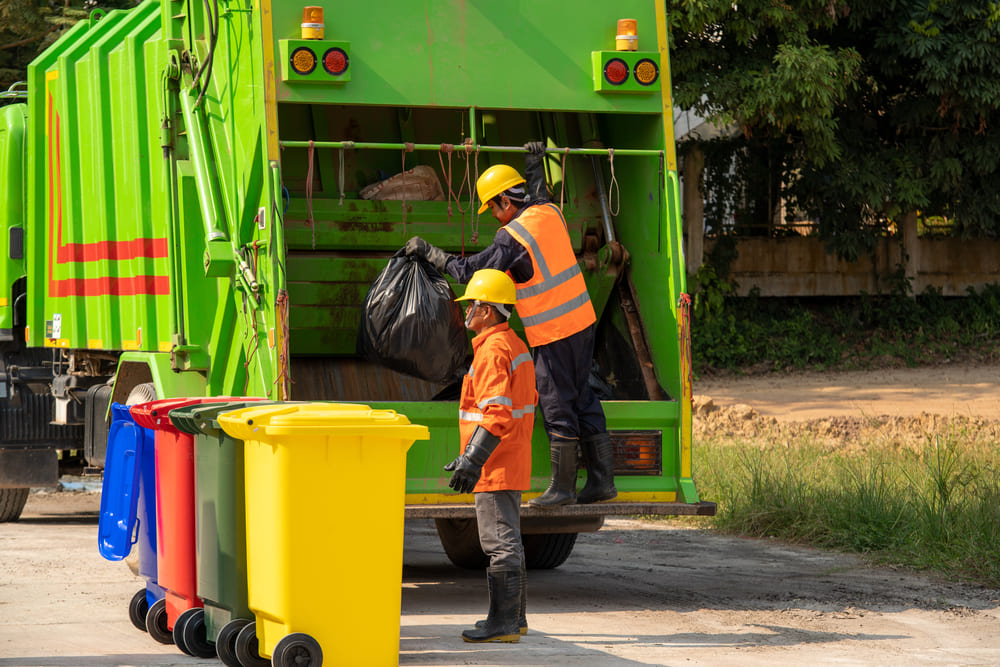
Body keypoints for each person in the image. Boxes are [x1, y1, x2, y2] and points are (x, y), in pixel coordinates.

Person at [407, 143, 616, 508]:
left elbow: (473, 272)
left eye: (492, 208)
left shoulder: (511, 237)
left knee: (555, 403)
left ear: (505, 200)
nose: (494, 216)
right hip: (583, 322)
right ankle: (601, 481)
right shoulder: (550, 212)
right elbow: (538, 193)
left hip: (553, 332)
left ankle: (563, 488)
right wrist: (534, 162)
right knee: (583, 396)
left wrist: (429, 252)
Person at [444, 269, 536, 643]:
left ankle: (504, 624)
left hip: (496, 464)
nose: (467, 313)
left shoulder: (492, 351)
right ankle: (515, 619)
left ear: (487, 310)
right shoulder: (513, 346)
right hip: (508, 459)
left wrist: (472, 460)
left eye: (472, 306)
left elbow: (496, 413)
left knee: (499, 543)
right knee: (509, 539)